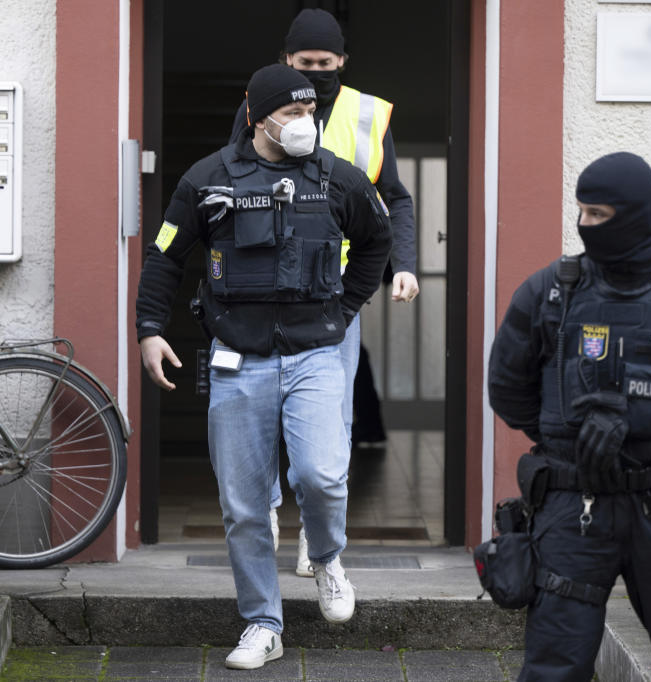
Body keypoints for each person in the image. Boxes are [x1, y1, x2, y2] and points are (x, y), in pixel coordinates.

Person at [136, 64, 392, 670]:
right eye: (294, 113)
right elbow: (166, 255)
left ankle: (327, 559)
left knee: (322, 477)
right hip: (237, 359)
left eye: (312, 113)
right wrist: (149, 330)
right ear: (259, 116)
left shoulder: (339, 179)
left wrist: (348, 306)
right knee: (245, 505)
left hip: (316, 355)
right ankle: (262, 624)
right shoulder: (208, 179)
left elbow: (378, 240)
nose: (306, 123)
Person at [487, 152, 651, 681]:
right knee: (554, 665)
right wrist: (566, 441)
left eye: (599, 214)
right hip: (575, 505)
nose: (585, 225)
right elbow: (507, 386)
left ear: (635, 214)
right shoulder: (549, 294)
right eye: (581, 212)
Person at [231, 7, 419, 577]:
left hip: (335, 297)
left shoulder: (369, 115)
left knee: (331, 425)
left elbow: (395, 200)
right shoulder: (256, 104)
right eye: (305, 63)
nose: (316, 72)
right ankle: (263, 519)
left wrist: (403, 265)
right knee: (254, 414)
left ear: (342, 61)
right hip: (259, 292)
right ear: (286, 60)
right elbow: (226, 180)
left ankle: (317, 541)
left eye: (326, 63)